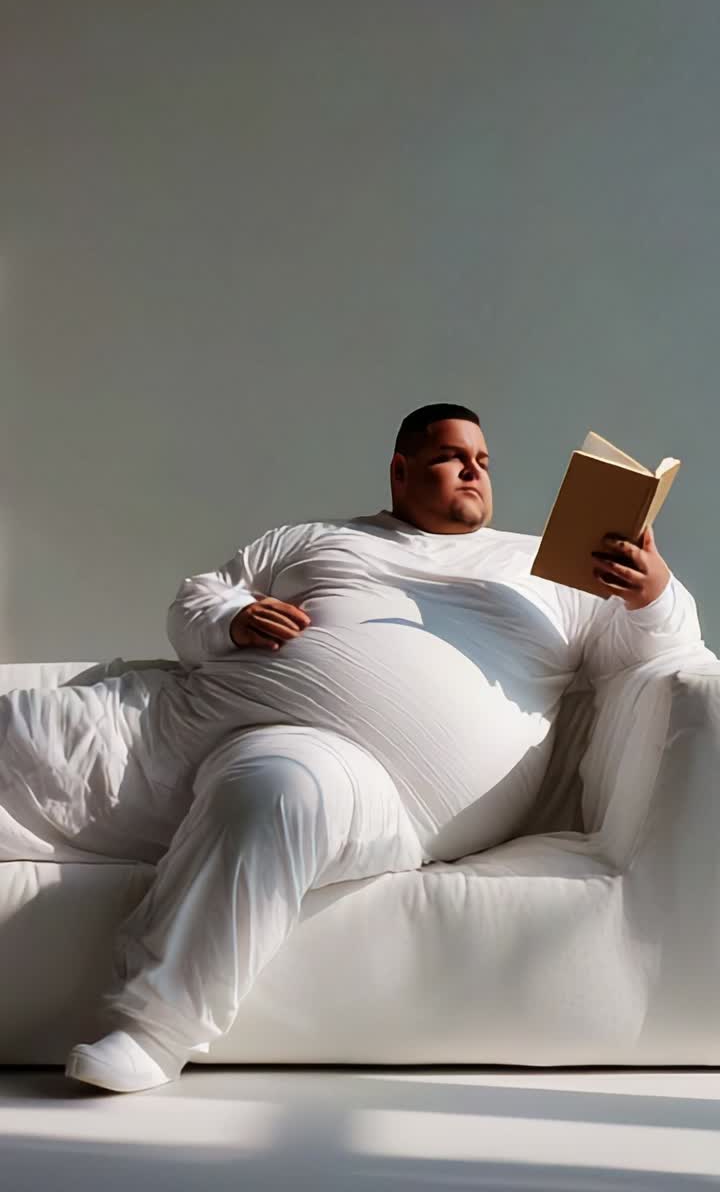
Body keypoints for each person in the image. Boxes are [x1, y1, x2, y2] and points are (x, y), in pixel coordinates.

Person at [0, 403, 702, 1092]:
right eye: (451, 457)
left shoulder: (547, 569)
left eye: (483, 461)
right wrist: (232, 617)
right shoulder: (308, 539)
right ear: (401, 471)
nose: (473, 471)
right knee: (21, 734)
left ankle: (153, 1031)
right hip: (183, 722)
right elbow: (197, 599)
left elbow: (655, 658)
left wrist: (653, 595)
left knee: (280, 790)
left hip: (358, 777)